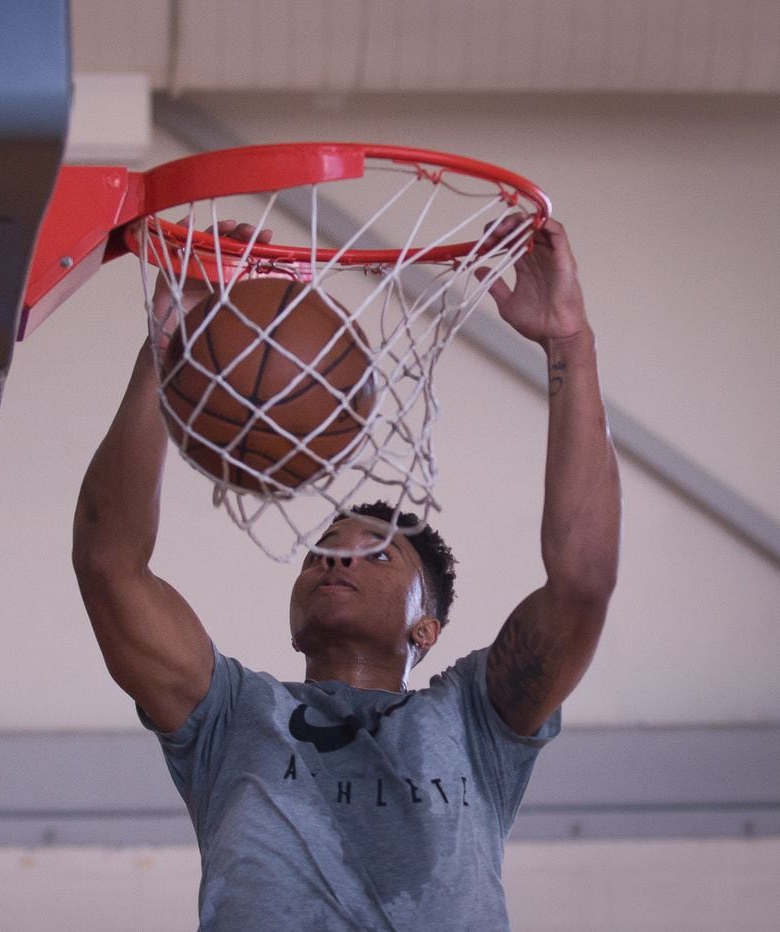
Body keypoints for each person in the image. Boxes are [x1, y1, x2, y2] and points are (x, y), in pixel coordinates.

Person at [72, 217, 621, 931]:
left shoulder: (476, 719)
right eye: (321, 548)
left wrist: (569, 342)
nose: (334, 557)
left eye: (378, 553)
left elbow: (582, 582)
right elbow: (109, 564)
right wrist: (166, 354)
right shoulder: (231, 714)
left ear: (427, 628)